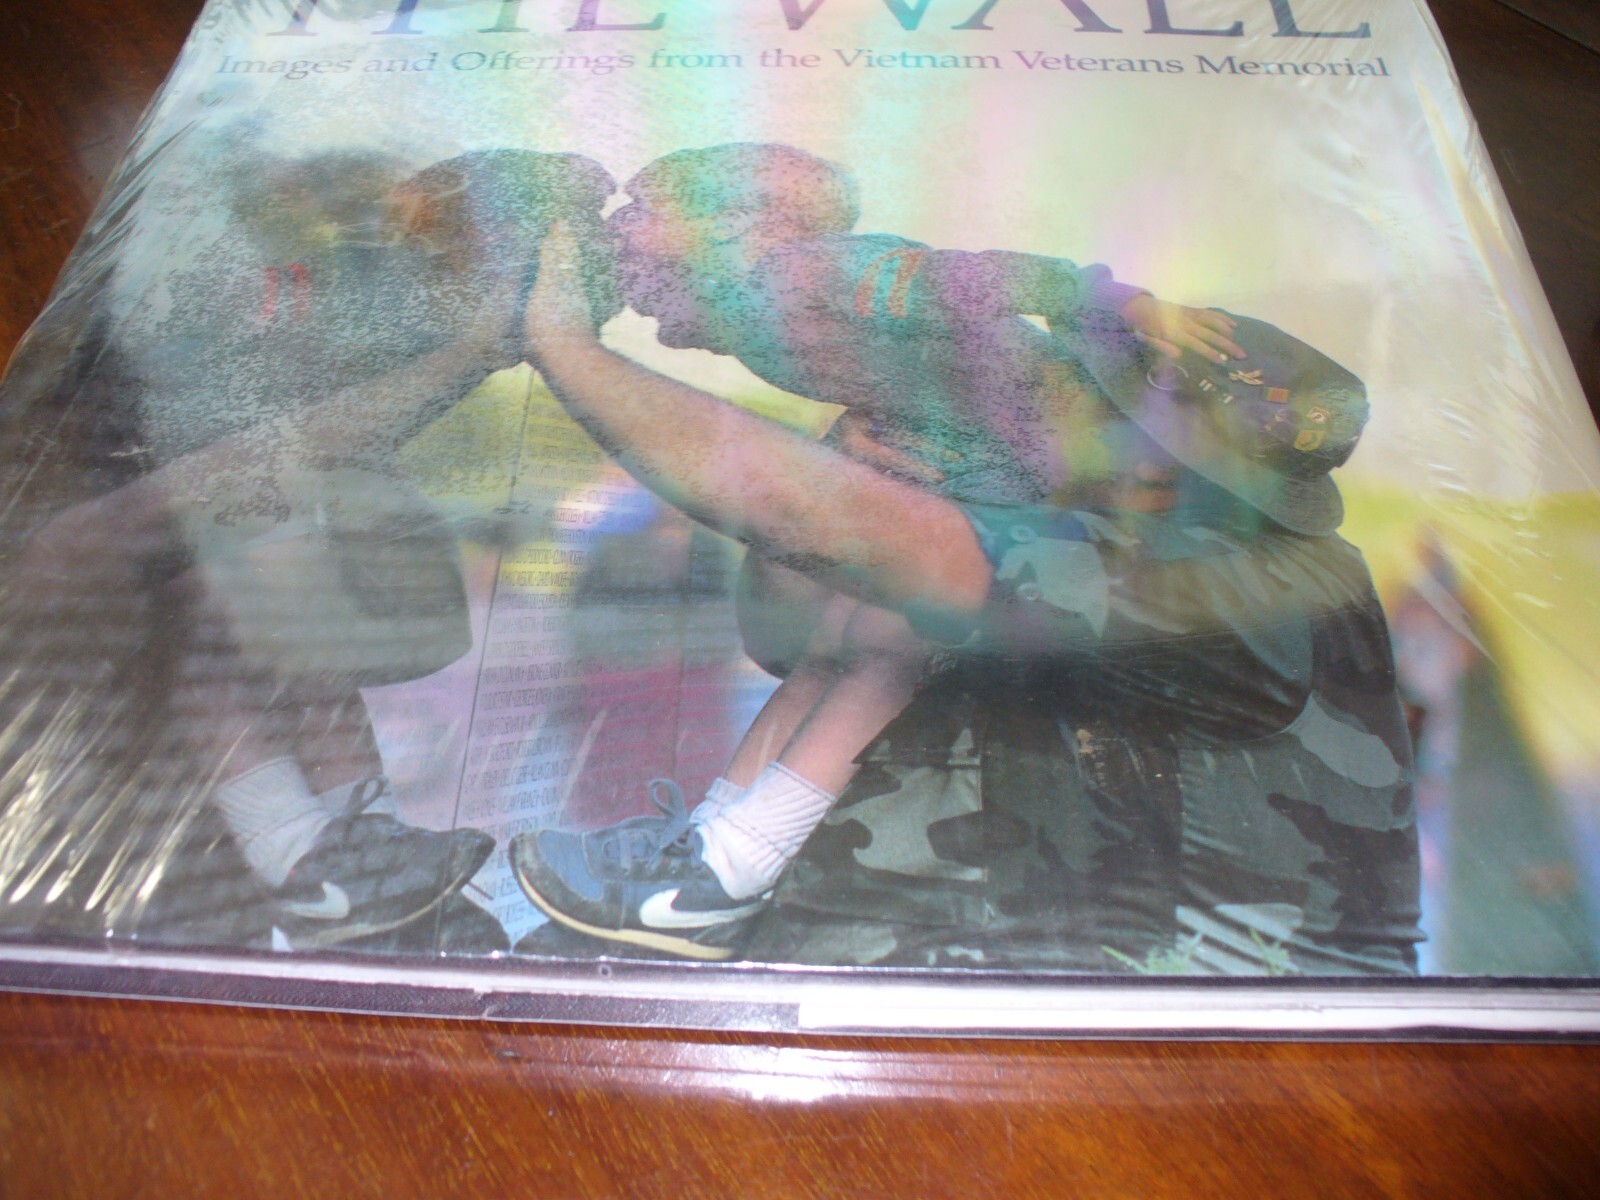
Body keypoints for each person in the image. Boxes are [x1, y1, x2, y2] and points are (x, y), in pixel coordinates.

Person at [511, 220, 1423, 974]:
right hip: (892, 985)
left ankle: (722, 867)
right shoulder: (1061, 509)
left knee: (898, 624)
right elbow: (789, 634)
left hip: (1136, 1039)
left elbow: (897, 554)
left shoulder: (1264, 582)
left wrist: (569, 353)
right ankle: (712, 857)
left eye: (1112, 417)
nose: (1069, 418)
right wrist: (854, 462)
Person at [534, 143, 1247, 942]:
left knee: (885, 635)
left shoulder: (805, 273)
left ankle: (732, 871)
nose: (621, 227)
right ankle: (712, 843)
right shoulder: (755, 305)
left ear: (734, 220)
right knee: (835, 643)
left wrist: (1119, 302)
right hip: (988, 467)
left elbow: (969, 282)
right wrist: (857, 443)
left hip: (1055, 471)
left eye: (643, 208)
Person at [0, 148, 617, 949]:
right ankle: (318, 859)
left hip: (180, 844)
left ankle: (363, 864)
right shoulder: (130, 358)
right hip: (98, 862)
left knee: (268, 613)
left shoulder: (263, 340)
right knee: (239, 604)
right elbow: (69, 550)